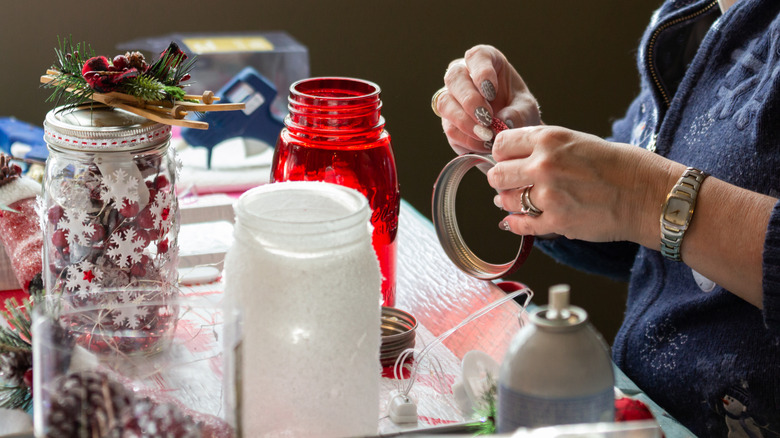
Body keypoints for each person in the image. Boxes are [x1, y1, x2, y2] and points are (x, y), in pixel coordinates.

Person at [432, 0, 780, 436]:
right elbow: (653, 239)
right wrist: (538, 170)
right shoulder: (696, 15)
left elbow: (649, 201)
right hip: (643, 413)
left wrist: (641, 195)